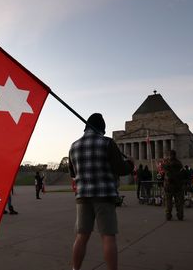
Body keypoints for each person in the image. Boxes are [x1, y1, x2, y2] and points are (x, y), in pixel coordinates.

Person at [68, 113, 134, 270]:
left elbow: (73, 174)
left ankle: (75, 269)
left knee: (81, 236)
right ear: (101, 129)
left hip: (83, 196)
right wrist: (130, 164)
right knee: (108, 237)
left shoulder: (74, 146)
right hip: (104, 195)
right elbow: (120, 169)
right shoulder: (107, 143)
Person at [162, 150, 188, 221]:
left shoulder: (167, 163)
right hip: (178, 185)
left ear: (170, 155)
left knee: (168, 201)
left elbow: (163, 167)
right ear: (175, 155)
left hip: (169, 185)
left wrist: (165, 160)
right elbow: (182, 173)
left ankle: (168, 215)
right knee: (179, 202)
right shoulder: (179, 163)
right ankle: (180, 215)